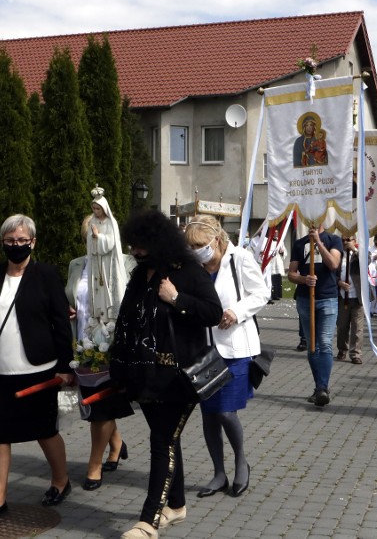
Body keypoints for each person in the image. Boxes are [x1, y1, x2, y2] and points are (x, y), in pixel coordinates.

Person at [0, 214, 75, 525]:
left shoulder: (45, 275)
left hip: (40, 369)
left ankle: (61, 481)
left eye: (22, 241)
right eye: (10, 241)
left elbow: (61, 324)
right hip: (0, 372)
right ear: (2, 243)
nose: (16, 246)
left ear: (33, 242)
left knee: (45, 431)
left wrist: (65, 366)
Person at [110, 210, 223, 539]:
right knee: (167, 438)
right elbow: (126, 322)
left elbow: (213, 313)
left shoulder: (187, 271)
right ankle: (176, 505)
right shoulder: (140, 275)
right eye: (132, 245)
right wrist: (118, 362)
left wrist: (177, 299)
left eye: (141, 245)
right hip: (145, 376)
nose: (136, 251)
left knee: (161, 440)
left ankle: (148, 521)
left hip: (181, 376)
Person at [184, 215, 270, 499]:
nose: (197, 251)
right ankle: (218, 473)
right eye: (192, 246)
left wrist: (236, 312)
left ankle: (241, 461)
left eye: (200, 245)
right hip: (204, 349)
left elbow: (261, 294)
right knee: (209, 415)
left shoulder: (240, 258)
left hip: (235, 348)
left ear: (217, 241)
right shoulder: (193, 267)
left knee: (225, 411)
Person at [66, 212, 133, 492]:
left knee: (100, 407)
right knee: (94, 405)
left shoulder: (126, 263)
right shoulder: (77, 264)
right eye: (89, 237)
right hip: (82, 343)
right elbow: (70, 295)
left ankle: (94, 466)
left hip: (112, 344)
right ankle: (115, 444)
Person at [288, 223, 343, 406]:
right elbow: (291, 274)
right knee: (313, 345)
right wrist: (303, 279)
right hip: (305, 299)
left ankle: (322, 388)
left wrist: (318, 242)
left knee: (325, 343)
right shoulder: (299, 244)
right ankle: (320, 387)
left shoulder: (333, 240)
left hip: (327, 298)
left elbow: (334, 264)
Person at [87, 186, 128, 323]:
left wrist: (98, 236)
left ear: (104, 208)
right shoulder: (92, 222)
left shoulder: (111, 223)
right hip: (97, 261)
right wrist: (93, 237)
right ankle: (99, 316)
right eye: (94, 208)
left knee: (108, 288)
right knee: (98, 289)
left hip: (108, 262)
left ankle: (110, 317)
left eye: (98, 208)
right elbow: (90, 243)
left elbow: (110, 244)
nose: (96, 211)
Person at [336, 234, 365, 364]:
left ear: (354, 240)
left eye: (348, 239)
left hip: (357, 296)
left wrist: (355, 249)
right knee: (342, 326)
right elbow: (331, 273)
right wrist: (339, 283)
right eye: (343, 240)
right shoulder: (338, 255)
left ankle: (355, 353)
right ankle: (342, 349)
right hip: (343, 297)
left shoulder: (360, 254)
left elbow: (367, 261)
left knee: (357, 327)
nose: (345, 242)